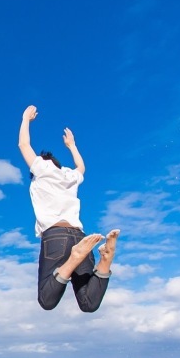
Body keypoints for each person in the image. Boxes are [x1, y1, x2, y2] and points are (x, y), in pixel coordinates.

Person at [18, 105, 119, 312]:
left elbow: (23, 144)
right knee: (88, 304)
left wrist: (25, 119)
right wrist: (72, 146)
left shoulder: (42, 169)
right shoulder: (68, 176)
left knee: (47, 301)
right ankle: (105, 260)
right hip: (80, 237)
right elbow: (81, 167)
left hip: (56, 236)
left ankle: (73, 259)